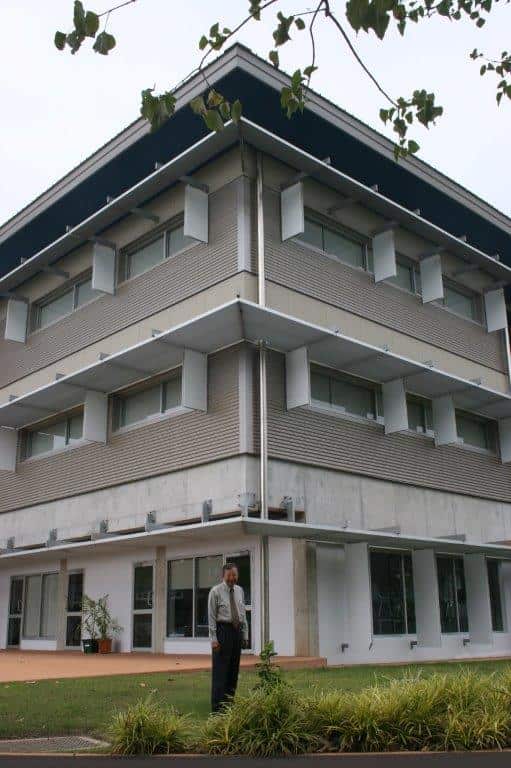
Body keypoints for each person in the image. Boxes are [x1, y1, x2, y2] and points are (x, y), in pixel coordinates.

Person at [208, 562, 249, 712]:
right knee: (221, 671)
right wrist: (214, 639)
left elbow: (242, 613)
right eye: (229, 575)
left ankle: (229, 704)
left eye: (234, 575)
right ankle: (217, 708)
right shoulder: (215, 591)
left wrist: (245, 634)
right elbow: (211, 617)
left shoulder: (239, 590)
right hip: (222, 631)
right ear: (223, 576)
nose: (232, 578)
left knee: (233, 670)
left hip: (236, 632)